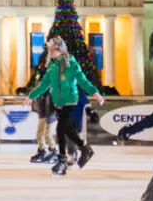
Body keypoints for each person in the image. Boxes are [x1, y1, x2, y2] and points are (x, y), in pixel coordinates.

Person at [25, 35, 105, 176]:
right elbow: (44, 85)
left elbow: (83, 81)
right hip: (58, 102)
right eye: (49, 50)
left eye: (53, 50)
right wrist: (31, 96)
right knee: (65, 129)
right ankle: (84, 149)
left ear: (60, 50)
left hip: (70, 100)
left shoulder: (72, 65)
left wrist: (95, 93)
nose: (50, 53)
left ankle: (62, 161)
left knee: (61, 128)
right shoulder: (52, 67)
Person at [29, 87, 58, 164]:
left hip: (51, 113)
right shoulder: (42, 84)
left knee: (48, 135)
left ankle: (53, 152)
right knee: (39, 135)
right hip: (43, 113)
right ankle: (42, 151)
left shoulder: (54, 83)